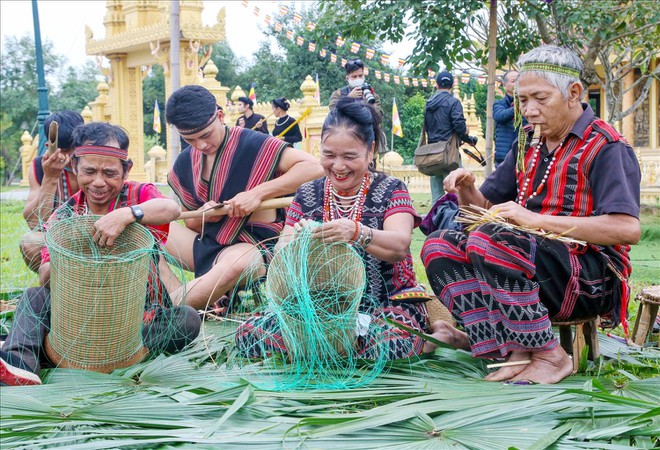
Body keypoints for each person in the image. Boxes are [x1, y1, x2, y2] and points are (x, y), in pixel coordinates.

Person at [421, 45, 641, 384]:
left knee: (492, 240)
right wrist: (466, 188)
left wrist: (534, 221)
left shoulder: (607, 146)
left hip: (588, 278)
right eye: (522, 101)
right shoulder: (527, 142)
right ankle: (500, 348)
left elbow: (627, 229)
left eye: (539, 98)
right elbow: (482, 213)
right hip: (525, 263)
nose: (529, 110)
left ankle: (550, 355)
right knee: (439, 245)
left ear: (574, 93)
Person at [0, 122, 200, 386]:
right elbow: (45, 278)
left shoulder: (138, 196)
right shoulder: (65, 215)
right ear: (74, 168)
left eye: (109, 172)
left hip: (132, 322)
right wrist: (63, 265)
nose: (98, 182)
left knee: (187, 319)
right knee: (34, 297)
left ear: (125, 171)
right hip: (76, 322)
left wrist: (127, 215)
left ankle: (124, 358)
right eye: (90, 171)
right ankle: (20, 365)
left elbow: (170, 209)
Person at [236, 97, 434, 360]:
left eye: (349, 157)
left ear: (371, 150)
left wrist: (356, 232)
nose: (338, 166)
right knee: (250, 335)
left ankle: (434, 340)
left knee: (384, 345)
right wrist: (298, 241)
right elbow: (281, 254)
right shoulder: (307, 193)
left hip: (386, 305)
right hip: (321, 309)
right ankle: (334, 345)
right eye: (329, 155)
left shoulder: (392, 189)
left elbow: (399, 245)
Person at [164, 85, 323, 311]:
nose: (201, 145)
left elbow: (314, 167)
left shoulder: (253, 142)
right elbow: (191, 223)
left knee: (235, 265)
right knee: (144, 231)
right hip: (207, 243)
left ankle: (161, 314)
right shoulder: (185, 161)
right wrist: (205, 215)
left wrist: (256, 193)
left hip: (252, 247)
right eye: (190, 139)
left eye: (205, 135)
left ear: (219, 116)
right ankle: (186, 305)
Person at [20, 111, 84, 272]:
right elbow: (35, 223)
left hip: (98, 235)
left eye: (75, 149)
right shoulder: (39, 167)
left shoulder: (95, 161)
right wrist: (50, 177)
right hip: (59, 239)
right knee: (30, 242)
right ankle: (54, 286)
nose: (71, 157)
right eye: (65, 151)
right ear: (50, 147)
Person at [329, 59, 387, 155]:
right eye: (354, 76)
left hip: (367, 140)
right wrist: (348, 98)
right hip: (345, 140)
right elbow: (333, 113)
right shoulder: (338, 94)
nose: (358, 78)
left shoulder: (372, 96)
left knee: (368, 168)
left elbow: (378, 116)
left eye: (360, 76)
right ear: (347, 78)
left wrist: (367, 101)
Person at [493, 70, 520, 167]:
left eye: (519, 80)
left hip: (523, 156)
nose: (517, 83)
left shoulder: (529, 105)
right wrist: (519, 106)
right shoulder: (499, 104)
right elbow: (500, 116)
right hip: (503, 158)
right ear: (504, 85)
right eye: (513, 81)